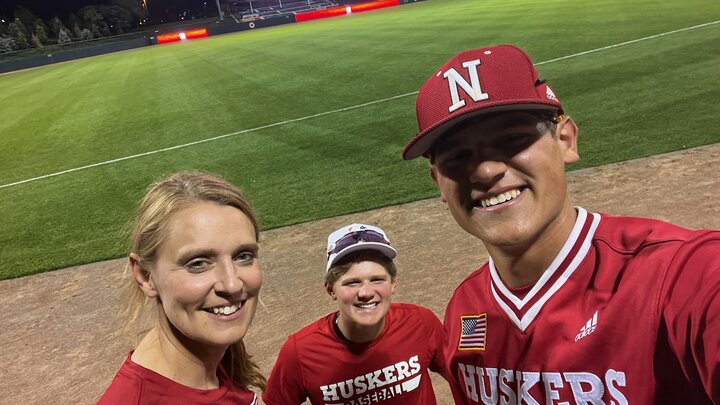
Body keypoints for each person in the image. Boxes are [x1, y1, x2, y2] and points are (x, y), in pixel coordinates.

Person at [402, 44, 720, 404]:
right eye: (457, 156)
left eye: (512, 140)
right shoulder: (465, 310)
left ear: (566, 140)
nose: (485, 170)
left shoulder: (678, 274)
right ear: (438, 183)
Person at [97, 171, 265, 404]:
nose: (232, 284)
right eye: (197, 263)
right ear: (146, 276)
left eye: (243, 256)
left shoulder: (214, 353)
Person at [263, 223, 445, 404]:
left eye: (377, 280)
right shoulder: (300, 352)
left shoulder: (420, 323)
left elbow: (463, 376)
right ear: (330, 289)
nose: (366, 293)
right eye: (352, 283)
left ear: (393, 283)